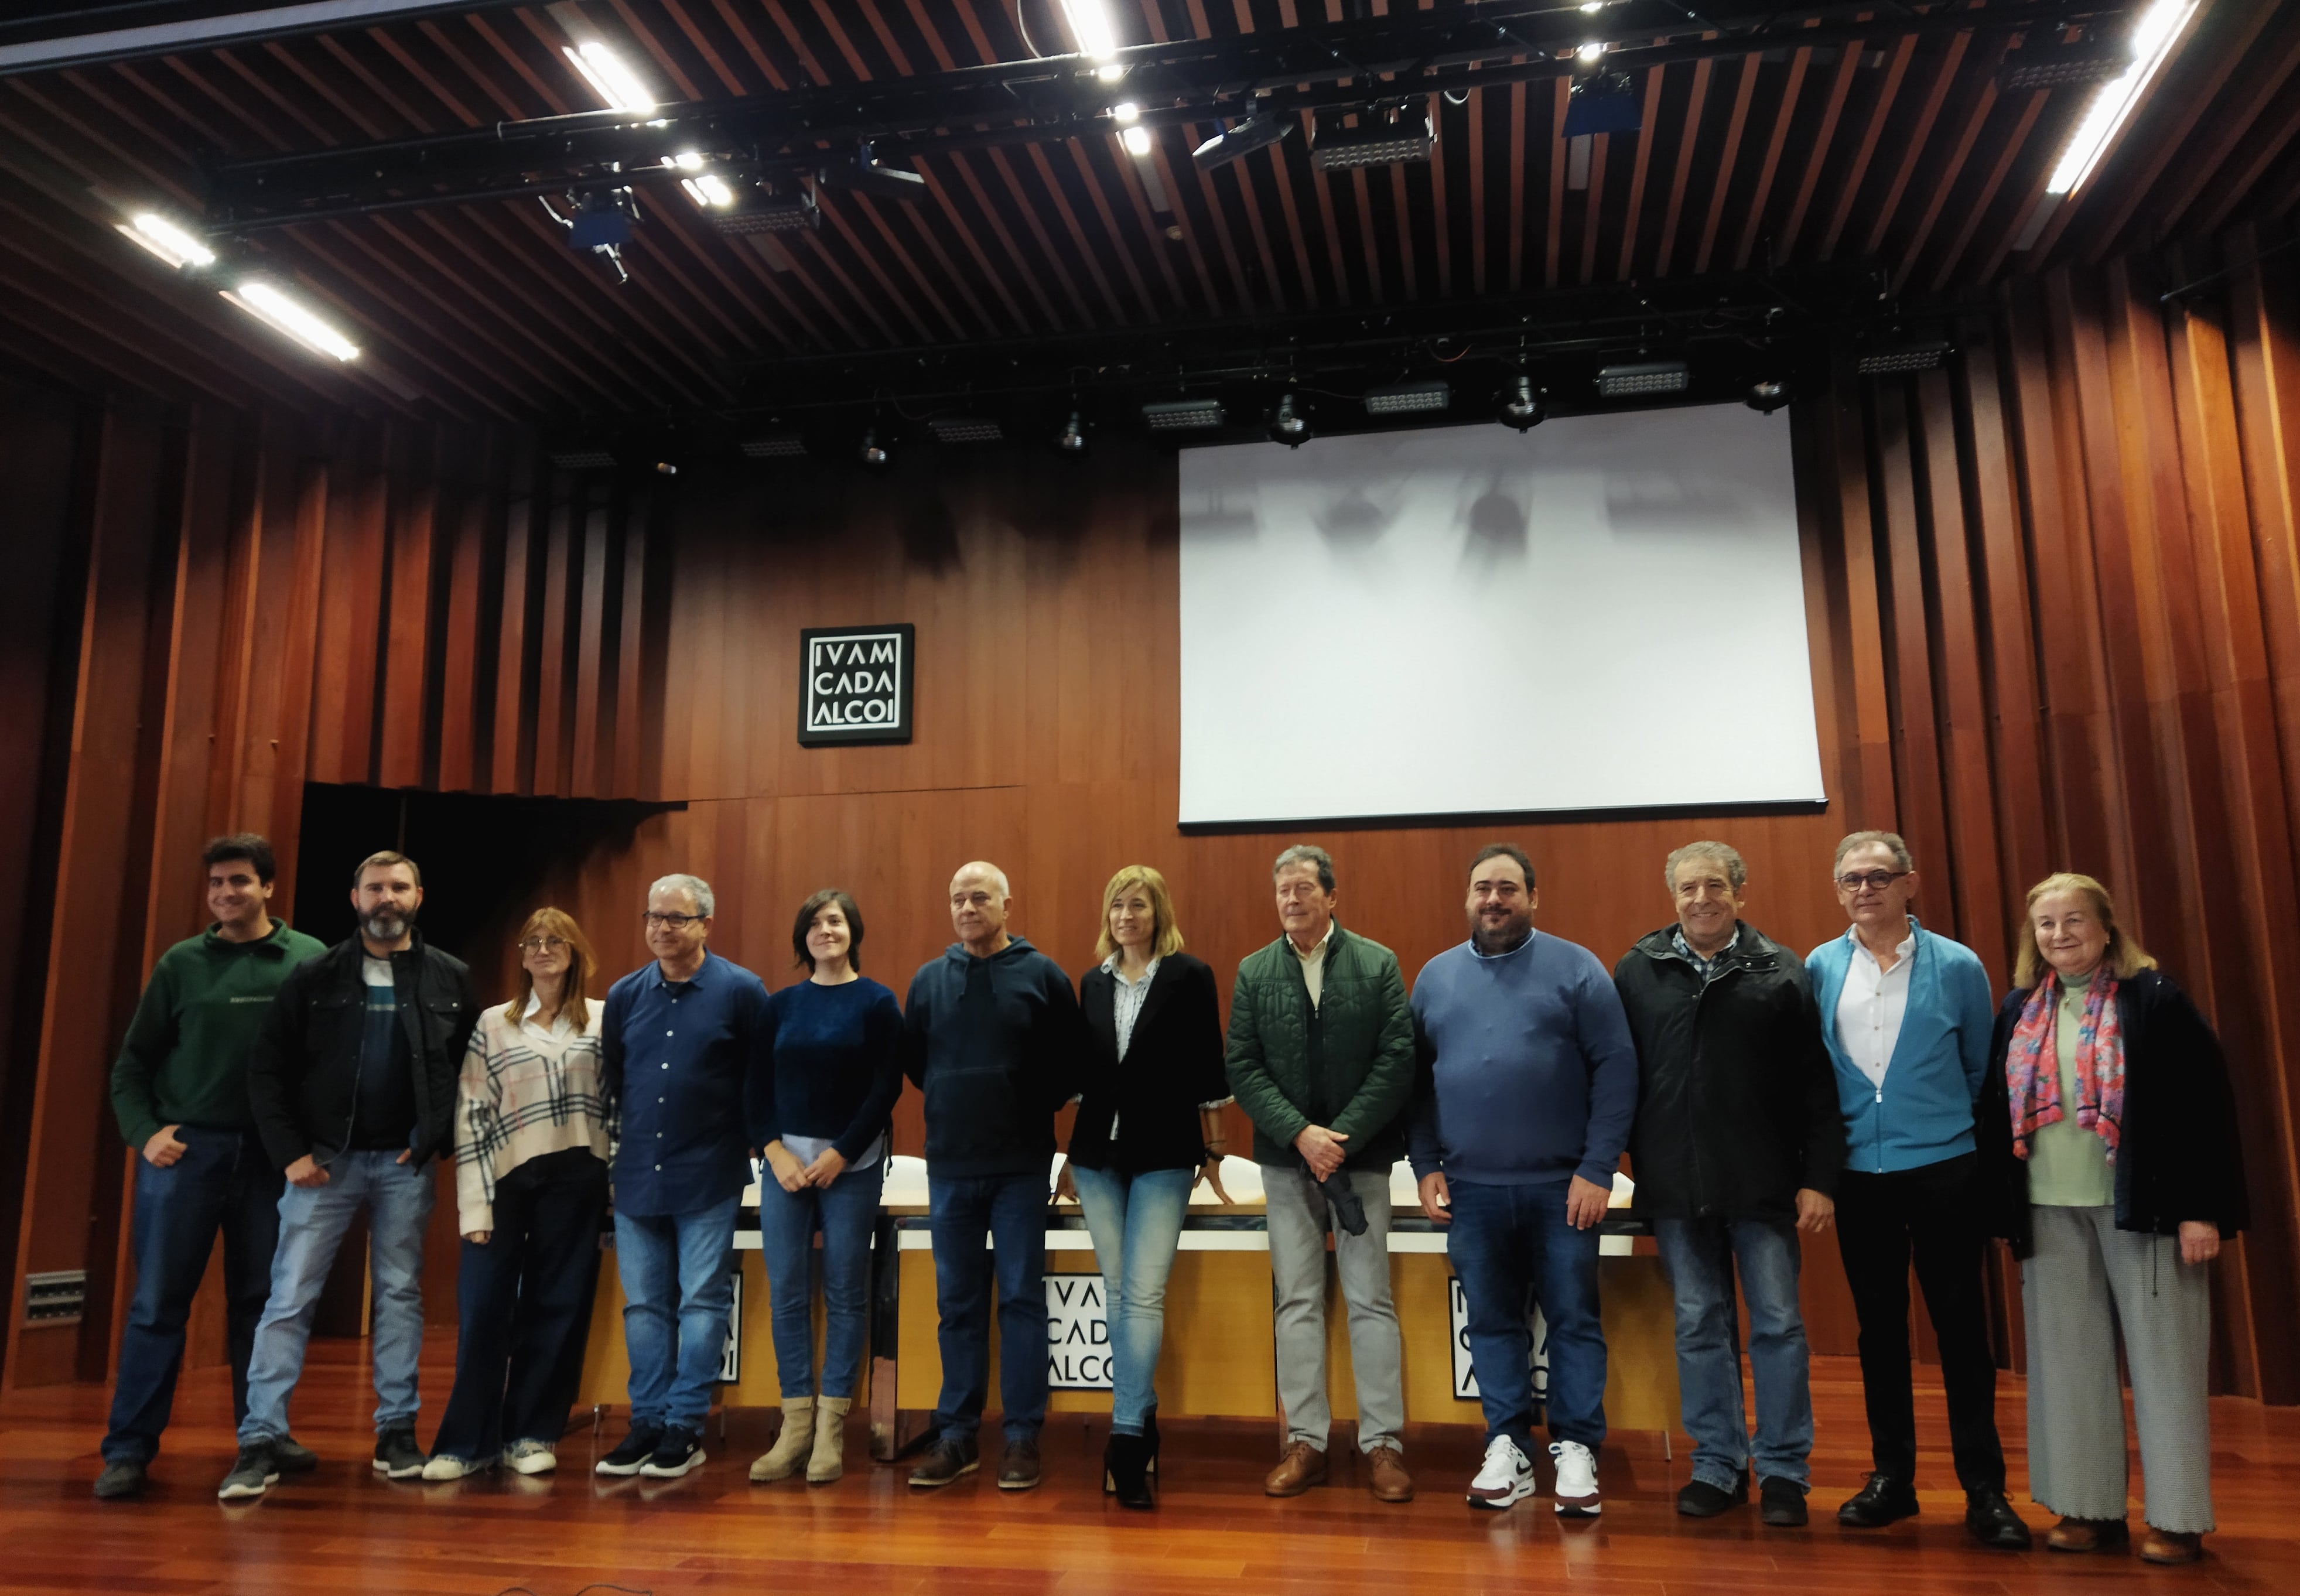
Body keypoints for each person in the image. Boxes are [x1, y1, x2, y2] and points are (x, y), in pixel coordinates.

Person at [1977, 873, 2247, 1566]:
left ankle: (2179, 1517)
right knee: (2067, 1366)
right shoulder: (2018, 1008)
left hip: (2147, 1213)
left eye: (2074, 920)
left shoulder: (2154, 999)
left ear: (2106, 927)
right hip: (2049, 1210)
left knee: (2166, 1365)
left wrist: (2201, 1211)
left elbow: (2203, 1110)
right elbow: (1995, 1114)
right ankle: (2088, 1507)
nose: (2060, 934)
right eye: (2046, 923)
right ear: (2031, 937)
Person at [218, 850, 480, 1501]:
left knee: (398, 1294)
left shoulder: (450, 976)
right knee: (289, 1298)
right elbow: (267, 1071)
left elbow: (471, 1073)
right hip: (322, 1166)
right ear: (354, 897)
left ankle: (396, 1431)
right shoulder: (315, 976)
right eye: (374, 888)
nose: (385, 898)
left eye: (397, 887)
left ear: (419, 894)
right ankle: (260, 1438)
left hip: (403, 1166)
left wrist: (429, 1141)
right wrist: (291, 1153)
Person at [1806, 831, 2029, 1548]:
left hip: (1943, 1170)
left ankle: (1984, 1488)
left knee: (1962, 1330)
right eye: (1850, 879)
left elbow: (1978, 1070)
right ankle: (1892, 1480)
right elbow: (1817, 1067)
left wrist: (1937, 1133)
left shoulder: (1958, 965)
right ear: (1838, 890)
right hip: (1858, 1178)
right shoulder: (1818, 966)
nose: (1863, 889)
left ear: (1910, 883)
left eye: (1877, 876)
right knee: (1879, 1332)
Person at [1612, 841, 1844, 1527]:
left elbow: (1816, 1086)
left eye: (1716, 885)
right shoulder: (1638, 969)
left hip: (1764, 1183)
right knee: (1698, 1323)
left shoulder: (1780, 970)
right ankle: (1717, 1462)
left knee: (1777, 1324)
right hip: (1676, 1185)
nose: (1702, 898)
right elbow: (1616, 1075)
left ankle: (1782, 1471)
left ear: (1740, 894)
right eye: (1689, 888)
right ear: (1673, 897)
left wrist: (1819, 1178)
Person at [1409, 843, 1638, 1516]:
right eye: (1482, 887)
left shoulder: (1578, 968)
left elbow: (1618, 1070)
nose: (1494, 899)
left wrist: (1598, 1169)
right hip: (1471, 1191)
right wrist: (1426, 1167)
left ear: (1533, 897)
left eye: (1508, 887)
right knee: (1491, 1321)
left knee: (1572, 1318)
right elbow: (1415, 1088)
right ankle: (1507, 1444)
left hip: (1563, 1188)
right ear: (1468, 898)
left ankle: (1575, 1449)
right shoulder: (1435, 977)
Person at [95, 835, 326, 1500]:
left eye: (241, 881)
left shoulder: (308, 959)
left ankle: (262, 1435)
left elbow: (323, 1059)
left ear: (269, 888)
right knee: (156, 1306)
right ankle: (129, 1450)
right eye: (217, 883)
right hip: (186, 1156)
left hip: (270, 1158)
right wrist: (145, 1133)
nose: (227, 893)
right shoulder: (181, 963)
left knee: (264, 1305)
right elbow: (130, 1066)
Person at [1228, 844, 1416, 1504]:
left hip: (1359, 1159)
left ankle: (1384, 1444)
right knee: (1298, 1300)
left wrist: (1340, 1138)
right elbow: (1242, 1067)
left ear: (1332, 897)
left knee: (1371, 1299)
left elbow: (1398, 1057)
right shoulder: (1254, 971)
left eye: (1304, 888)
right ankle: (1305, 1440)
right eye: (1283, 890)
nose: (1291, 900)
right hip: (1286, 1163)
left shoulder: (1378, 962)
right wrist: (1301, 1135)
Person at [1056, 865, 1235, 1509]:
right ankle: (1144, 1413)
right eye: (1116, 905)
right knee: (1118, 1289)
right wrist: (1070, 1158)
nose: (1125, 915)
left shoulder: (1189, 976)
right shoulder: (1091, 982)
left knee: (1142, 1294)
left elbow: (1208, 1064)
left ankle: (1127, 1437)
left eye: (1137, 905)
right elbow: (1085, 1072)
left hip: (1165, 1152)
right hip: (1097, 1155)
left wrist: (1214, 1151)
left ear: (1159, 912)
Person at [903, 861, 1082, 1492]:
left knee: (1022, 1300)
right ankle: (957, 1436)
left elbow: (1071, 1067)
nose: (968, 907)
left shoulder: (1043, 975)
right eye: (958, 898)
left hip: (1021, 1166)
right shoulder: (927, 980)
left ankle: (1022, 1436)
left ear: (1008, 903)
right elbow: (920, 1066)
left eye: (980, 897)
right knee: (957, 1304)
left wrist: (1017, 1100)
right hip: (950, 1165)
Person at [421, 908, 611, 1480]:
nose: (544, 949)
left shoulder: (604, 1020)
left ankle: (531, 1432)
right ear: (522, 955)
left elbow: (619, 1105)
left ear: (576, 952)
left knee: (558, 1306)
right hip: (506, 1178)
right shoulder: (494, 1023)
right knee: (484, 1308)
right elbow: (472, 1114)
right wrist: (474, 1206)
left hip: (579, 1174)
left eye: (556, 941)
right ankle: (465, 1442)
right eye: (533, 941)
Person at [594, 873, 770, 1481]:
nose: (662, 928)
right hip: (638, 1172)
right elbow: (615, 1079)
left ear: (706, 926)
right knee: (643, 1305)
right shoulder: (623, 995)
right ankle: (644, 1422)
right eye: (654, 916)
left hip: (709, 1171)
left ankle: (684, 1425)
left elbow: (758, 1078)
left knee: (701, 1300)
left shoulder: (743, 990)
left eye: (676, 917)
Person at [745, 889, 904, 1487]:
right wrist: (773, 1150)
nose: (825, 930)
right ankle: (795, 1426)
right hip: (784, 1166)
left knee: (844, 1292)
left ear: (853, 930)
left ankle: (833, 1425)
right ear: (802, 938)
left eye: (834, 920)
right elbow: (754, 1087)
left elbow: (887, 1086)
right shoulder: (780, 1005)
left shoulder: (877, 1001)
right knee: (788, 1292)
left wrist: (841, 1152)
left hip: (852, 1166)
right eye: (813, 923)